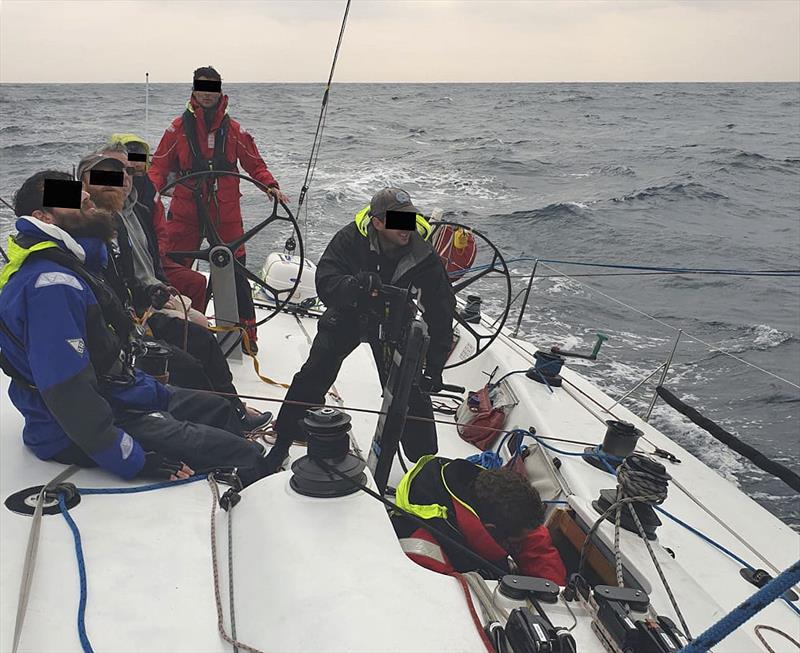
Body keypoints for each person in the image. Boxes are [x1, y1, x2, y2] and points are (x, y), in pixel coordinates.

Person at [0, 170, 274, 485]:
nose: (87, 197)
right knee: (246, 456)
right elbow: (68, 393)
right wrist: (131, 458)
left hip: (119, 394)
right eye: (72, 198)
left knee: (217, 408)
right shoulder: (49, 287)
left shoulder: (76, 264)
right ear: (44, 218)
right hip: (73, 429)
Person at [77, 145, 271, 431]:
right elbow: (46, 200)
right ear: (81, 184)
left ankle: (232, 411)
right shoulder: (81, 222)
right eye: (103, 175)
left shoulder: (133, 211)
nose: (120, 179)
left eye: (126, 172)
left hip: (139, 308)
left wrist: (154, 291)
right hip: (118, 326)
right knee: (190, 361)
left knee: (203, 339)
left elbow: (137, 268)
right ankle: (221, 420)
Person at [267, 188, 455, 470]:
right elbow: (326, 282)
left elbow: (441, 310)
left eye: (410, 219)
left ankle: (425, 466)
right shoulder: (350, 238)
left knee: (411, 390)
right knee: (314, 373)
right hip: (350, 311)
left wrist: (435, 366)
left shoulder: (422, 253)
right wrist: (355, 286)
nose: (407, 228)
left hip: (395, 320)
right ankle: (282, 444)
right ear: (377, 222)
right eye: (398, 221)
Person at [148, 65, 288, 352]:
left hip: (225, 216)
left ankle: (247, 339)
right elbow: (159, 167)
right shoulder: (176, 130)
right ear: (194, 91)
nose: (207, 94)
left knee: (236, 276)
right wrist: (147, 195)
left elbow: (254, 164)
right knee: (172, 269)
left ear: (220, 91)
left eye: (212, 88)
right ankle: (184, 332)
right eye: (202, 88)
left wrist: (269, 186)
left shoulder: (235, 131)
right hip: (185, 212)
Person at [392, 456, 567, 585]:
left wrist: (554, 590)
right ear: (491, 531)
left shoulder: (490, 494)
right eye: (516, 542)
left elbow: (534, 539)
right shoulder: (422, 547)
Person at [108, 133, 208, 312]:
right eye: (130, 158)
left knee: (196, 283)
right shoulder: (93, 200)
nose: (136, 164)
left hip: (152, 262)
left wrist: (156, 258)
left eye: (139, 159)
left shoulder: (147, 198)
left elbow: (161, 232)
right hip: (127, 275)